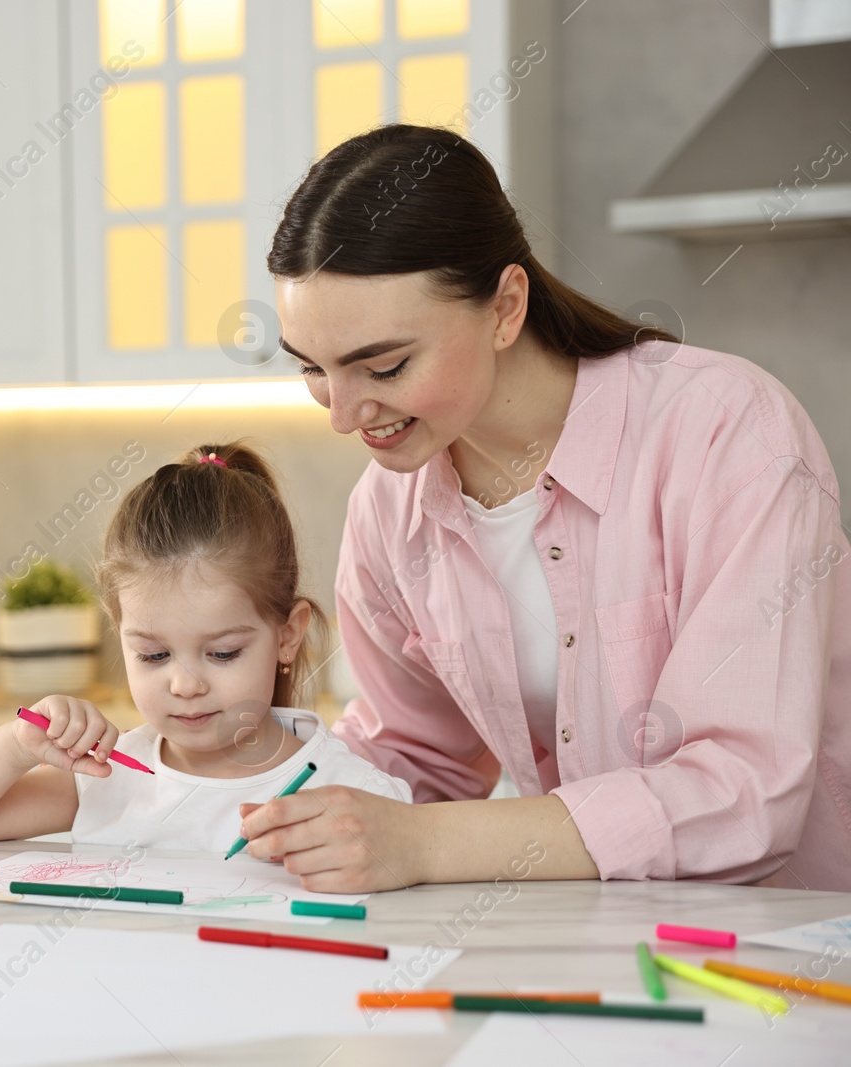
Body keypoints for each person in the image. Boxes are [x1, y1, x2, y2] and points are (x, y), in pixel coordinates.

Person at [241, 123, 851, 892]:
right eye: (315, 370)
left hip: (802, 947)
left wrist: (426, 844)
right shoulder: (390, 512)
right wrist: (197, 772)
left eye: (385, 365)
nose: (342, 413)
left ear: (505, 306)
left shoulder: (726, 433)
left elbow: (743, 791)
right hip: (594, 944)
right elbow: (415, 759)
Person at [0, 442, 410, 852]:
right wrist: (17, 746)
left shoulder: (351, 793)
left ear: (288, 635)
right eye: (153, 656)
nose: (185, 684)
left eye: (223, 653)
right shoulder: (111, 775)